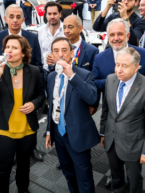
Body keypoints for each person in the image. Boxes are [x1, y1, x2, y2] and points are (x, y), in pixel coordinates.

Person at [0, 34, 45, 193]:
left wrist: (33, 104)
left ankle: (23, 190)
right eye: (7, 47)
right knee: (4, 167)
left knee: (24, 165)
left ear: (23, 53)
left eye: (14, 47)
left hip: (27, 128)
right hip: (4, 128)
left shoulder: (34, 71)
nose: (9, 50)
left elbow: (41, 95)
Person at [45, 37, 100, 193]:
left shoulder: (84, 75)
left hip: (77, 133)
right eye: (56, 51)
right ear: (52, 55)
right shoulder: (50, 77)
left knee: (84, 175)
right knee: (68, 172)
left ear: (72, 53)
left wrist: (72, 76)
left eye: (64, 50)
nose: (60, 54)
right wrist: (49, 130)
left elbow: (92, 98)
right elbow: (52, 105)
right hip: (58, 133)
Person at [0, 4, 44, 161]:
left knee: (30, 119)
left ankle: (31, 149)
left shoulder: (32, 37)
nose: (15, 20)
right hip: (5, 89)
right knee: (8, 121)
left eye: (18, 17)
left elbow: (38, 64)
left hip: (28, 87)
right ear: (5, 19)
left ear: (23, 19)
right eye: (11, 17)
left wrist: (33, 84)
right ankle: (11, 151)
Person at [100, 47, 145, 193]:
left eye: (124, 65)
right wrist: (103, 134)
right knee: (115, 175)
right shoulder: (110, 79)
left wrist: (144, 151)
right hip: (111, 140)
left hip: (134, 144)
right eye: (117, 64)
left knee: (134, 180)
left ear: (137, 67)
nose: (119, 69)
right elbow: (105, 110)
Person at [92, 19, 145, 98]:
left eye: (120, 34)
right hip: (111, 108)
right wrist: (114, 80)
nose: (116, 38)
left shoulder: (143, 54)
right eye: (112, 35)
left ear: (128, 35)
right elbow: (94, 83)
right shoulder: (99, 58)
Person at [38, 1, 64, 92]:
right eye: (49, 14)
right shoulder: (40, 31)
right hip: (44, 72)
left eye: (55, 13)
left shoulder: (66, 30)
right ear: (46, 15)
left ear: (60, 14)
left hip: (62, 72)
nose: (52, 16)